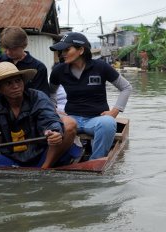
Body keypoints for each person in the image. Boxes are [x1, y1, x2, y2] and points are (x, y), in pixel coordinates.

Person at [0, 62, 76, 168]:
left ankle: (44, 169)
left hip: (43, 153)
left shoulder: (37, 97)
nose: (16, 86)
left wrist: (54, 132)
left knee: (69, 124)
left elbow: (49, 118)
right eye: (9, 83)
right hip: (14, 157)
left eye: (18, 81)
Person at [49, 32, 132, 160]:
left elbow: (126, 87)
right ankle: (60, 158)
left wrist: (115, 111)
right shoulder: (59, 71)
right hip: (71, 119)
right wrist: (54, 110)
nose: (62, 54)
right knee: (50, 123)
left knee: (108, 123)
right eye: (61, 51)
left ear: (81, 50)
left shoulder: (101, 67)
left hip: (96, 119)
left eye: (67, 49)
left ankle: (96, 161)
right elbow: (51, 92)